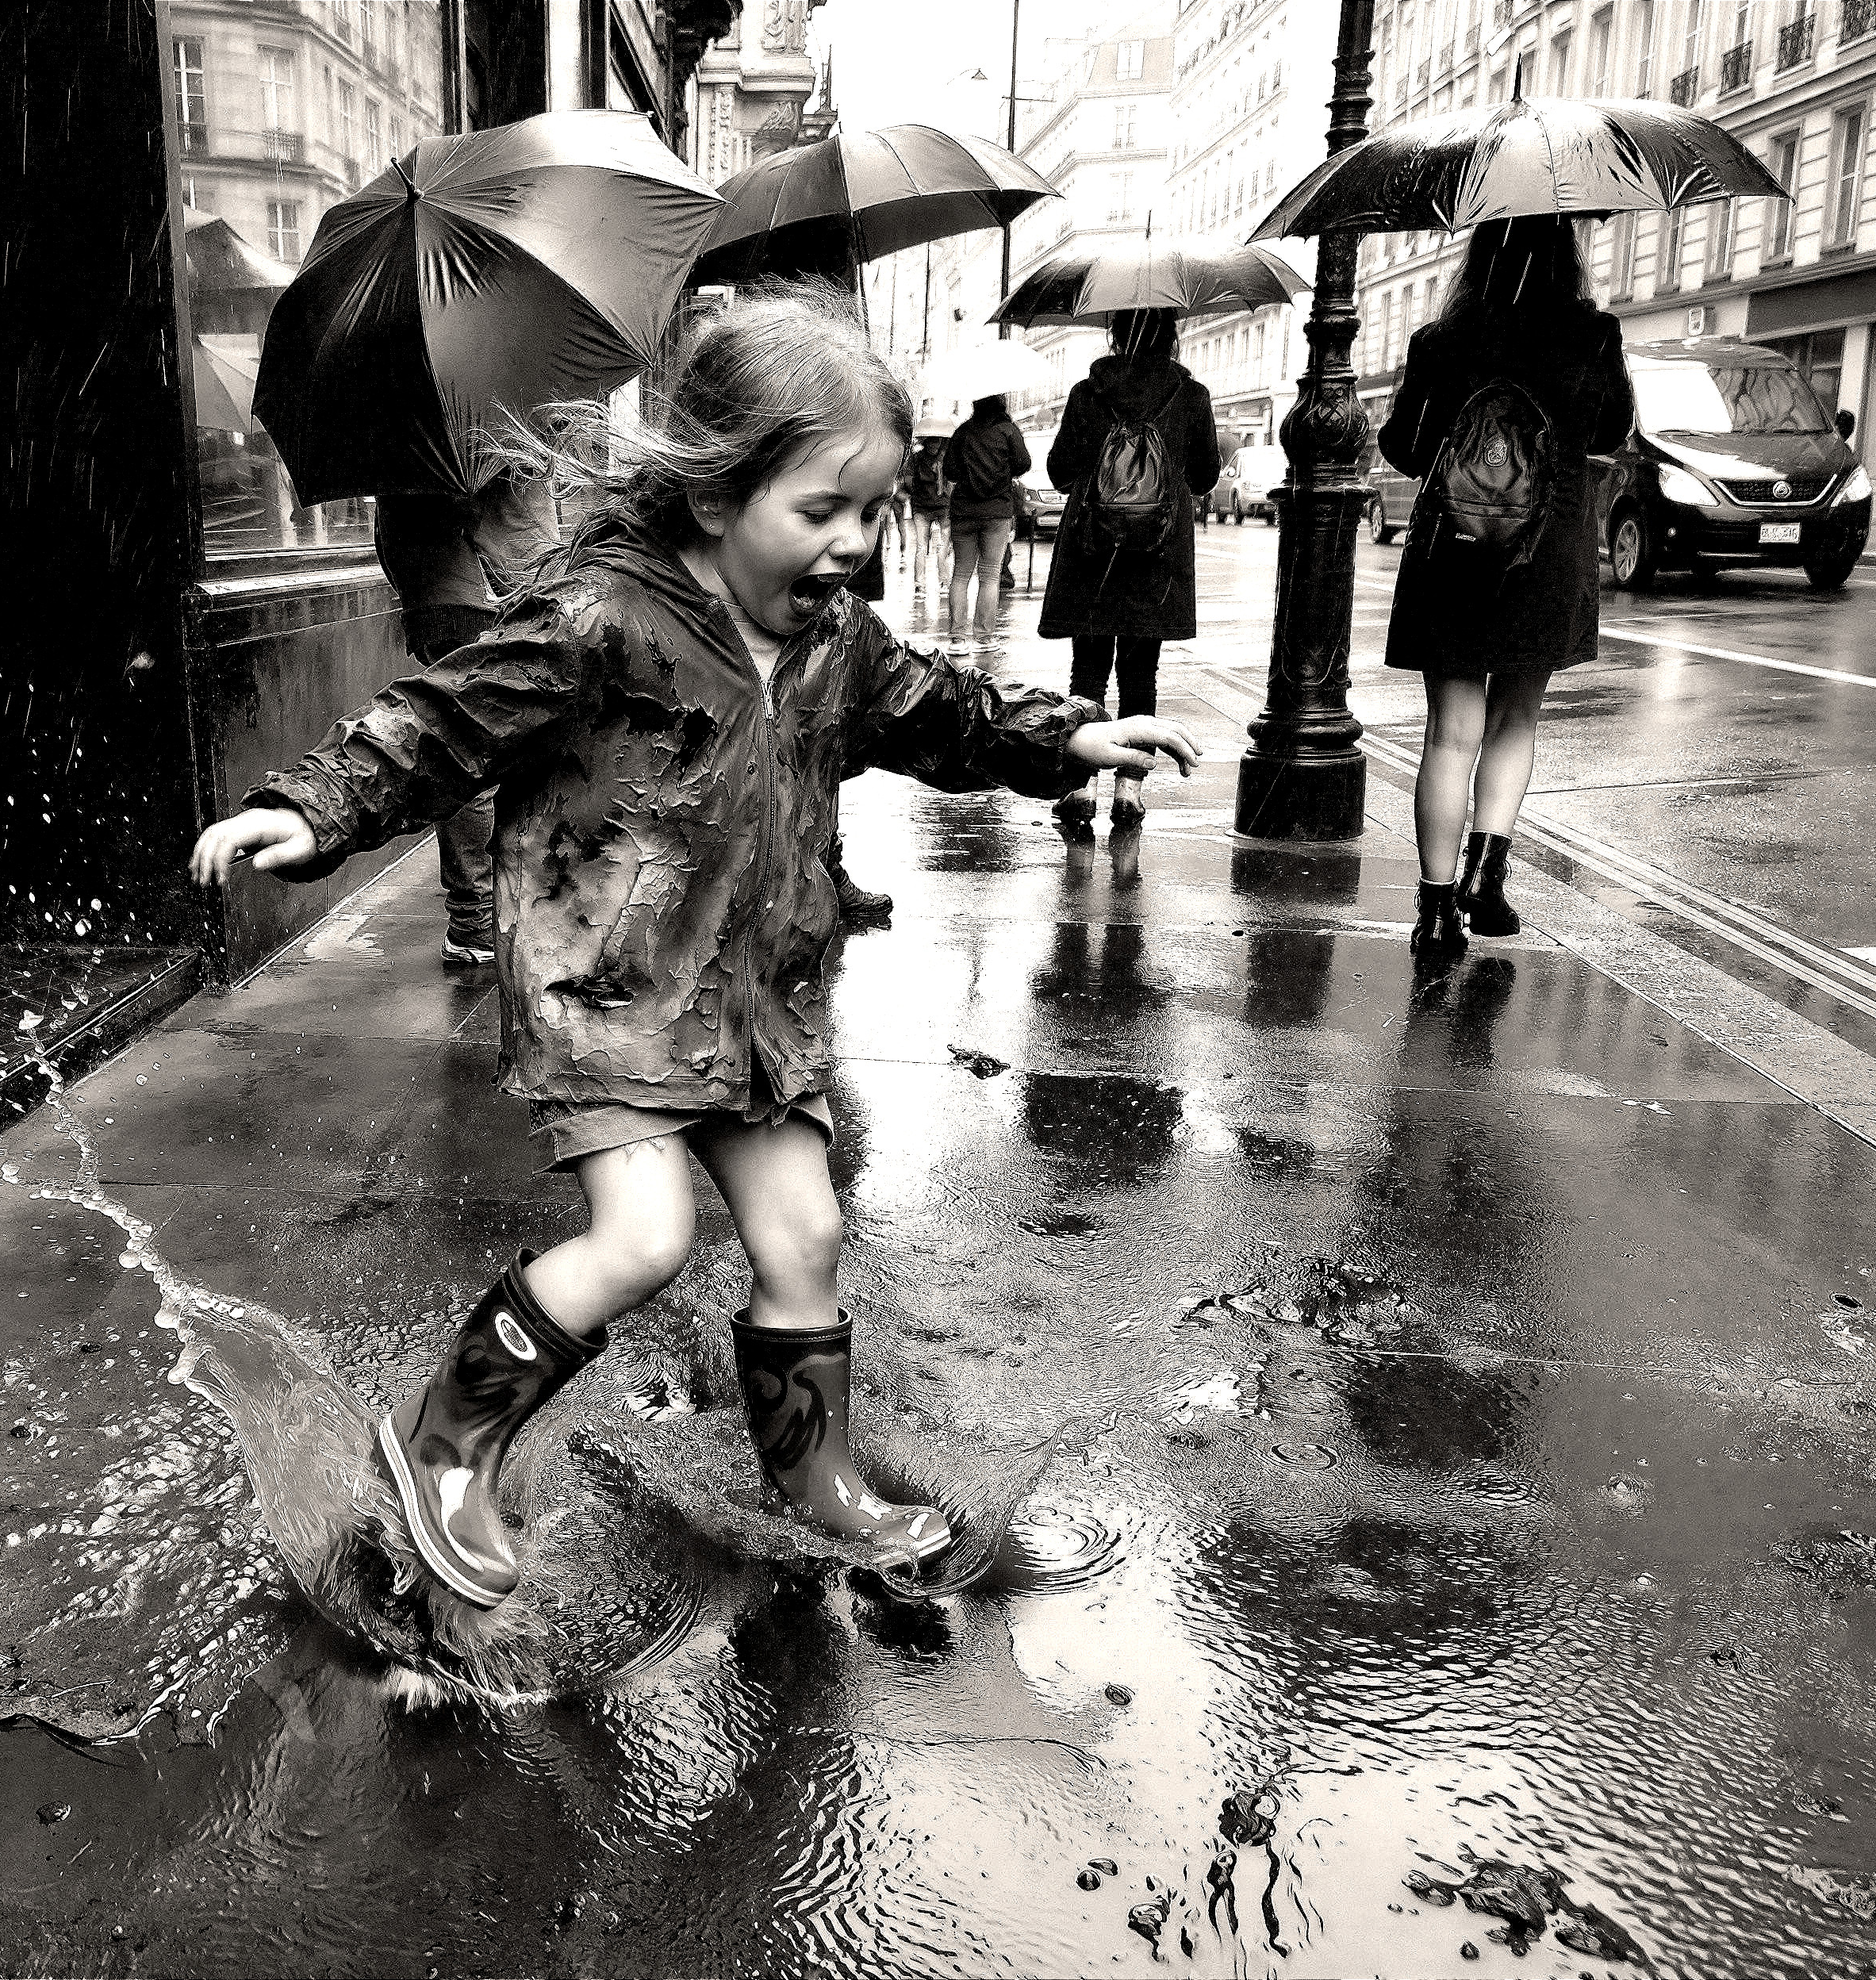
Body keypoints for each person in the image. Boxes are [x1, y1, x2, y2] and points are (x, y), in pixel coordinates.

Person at [190, 284, 1199, 1610]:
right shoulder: (601, 615)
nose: (853, 542)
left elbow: (935, 709)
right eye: (822, 510)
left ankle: (811, 1474)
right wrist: (307, 807)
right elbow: (441, 719)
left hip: (754, 999)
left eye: (873, 511)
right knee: (645, 1233)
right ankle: (444, 1439)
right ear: (719, 495)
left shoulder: (832, 641)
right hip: (609, 989)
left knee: (801, 1233)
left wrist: (1059, 736)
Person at [1378, 215, 1632, 965]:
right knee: (1516, 716)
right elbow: (1608, 430)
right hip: (1545, 551)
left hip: (1453, 549)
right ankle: (1486, 877)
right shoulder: (1593, 335)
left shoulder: (1441, 339)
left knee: (1449, 734)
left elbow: (1405, 447)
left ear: (1481, 252)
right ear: (1566, 255)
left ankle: (1433, 911)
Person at [1038, 309, 1222, 830]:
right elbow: (1206, 476)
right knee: (1141, 676)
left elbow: (1059, 472)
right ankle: (1130, 791)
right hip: (1157, 557)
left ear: (1116, 334)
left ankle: (1080, 787)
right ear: (1172, 335)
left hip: (1092, 552)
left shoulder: (1086, 393)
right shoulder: (1192, 396)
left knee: (1087, 673)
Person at [372, 475, 558, 965]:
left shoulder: (412, 442)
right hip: (482, 597)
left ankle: (479, 910)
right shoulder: (490, 421)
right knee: (475, 742)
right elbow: (525, 534)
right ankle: (476, 917)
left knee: (463, 736)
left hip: (440, 595)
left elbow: (390, 540)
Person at [943, 393, 1034, 646]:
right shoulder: (1008, 431)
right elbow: (1023, 464)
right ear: (1000, 404)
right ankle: (983, 638)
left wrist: (969, 470)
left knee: (960, 575)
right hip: (997, 511)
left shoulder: (963, 432)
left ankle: (958, 639)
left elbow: (950, 470)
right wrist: (1002, 470)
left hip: (964, 511)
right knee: (990, 576)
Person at [907, 428, 954, 614]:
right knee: (935, 547)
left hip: (929, 507)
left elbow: (909, 483)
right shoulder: (941, 459)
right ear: (927, 442)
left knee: (924, 548)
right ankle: (940, 583)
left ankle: (923, 585)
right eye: (932, 441)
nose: (934, 444)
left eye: (936, 441)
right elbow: (950, 484)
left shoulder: (917, 459)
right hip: (934, 508)